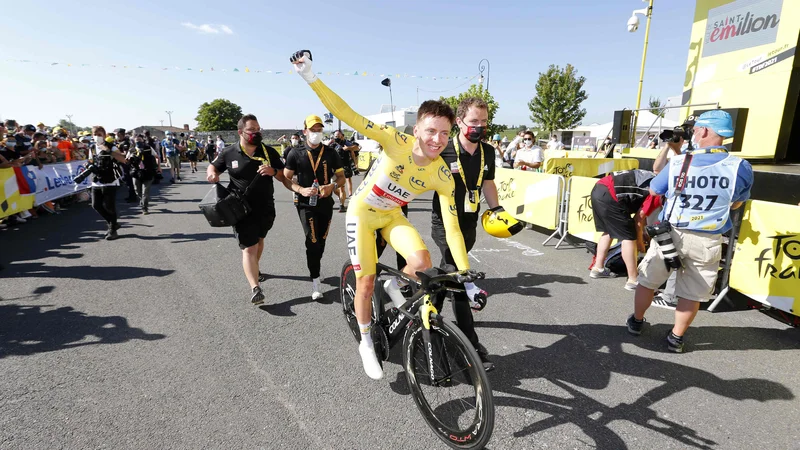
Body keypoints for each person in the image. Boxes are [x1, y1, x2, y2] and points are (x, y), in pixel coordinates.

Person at [291, 49, 470, 380]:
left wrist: (466, 273)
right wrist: (310, 77)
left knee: (423, 262)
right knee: (366, 280)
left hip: (391, 216)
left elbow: (453, 228)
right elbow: (347, 112)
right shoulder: (393, 140)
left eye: (445, 134)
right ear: (417, 129)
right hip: (362, 214)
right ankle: (366, 343)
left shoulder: (442, 173)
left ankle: (395, 289)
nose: (438, 139)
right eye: (431, 131)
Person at [627, 110, 753, 353]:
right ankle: (676, 337)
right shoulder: (740, 167)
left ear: (704, 131)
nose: (693, 133)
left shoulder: (680, 162)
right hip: (708, 237)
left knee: (648, 281)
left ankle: (637, 321)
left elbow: (654, 190)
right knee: (692, 292)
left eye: (695, 129)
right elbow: (737, 202)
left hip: (670, 234)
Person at [431, 97, 502, 372]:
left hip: (470, 223)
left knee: (447, 272)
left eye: (483, 122)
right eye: (473, 122)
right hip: (444, 224)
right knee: (460, 280)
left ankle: (426, 313)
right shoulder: (443, 149)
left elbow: (487, 182)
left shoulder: (488, 151)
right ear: (459, 121)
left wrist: (497, 209)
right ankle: (470, 348)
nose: (479, 127)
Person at [207, 114, 288, 305]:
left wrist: (273, 171)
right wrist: (212, 175)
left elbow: (283, 173)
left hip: (266, 207)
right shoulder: (229, 152)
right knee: (249, 247)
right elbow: (213, 167)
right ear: (240, 132)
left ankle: (255, 269)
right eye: (252, 130)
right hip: (239, 209)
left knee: (259, 241)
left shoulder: (268, 152)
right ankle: (255, 287)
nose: (256, 132)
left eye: (258, 129)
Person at [283, 115, 345, 300]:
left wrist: (332, 186)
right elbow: (285, 178)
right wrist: (300, 189)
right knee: (312, 240)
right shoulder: (295, 153)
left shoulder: (330, 152)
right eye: (313, 129)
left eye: (319, 129)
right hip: (305, 204)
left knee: (322, 239)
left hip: (325, 203)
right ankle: (315, 279)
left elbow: (341, 177)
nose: (316, 133)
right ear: (305, 131)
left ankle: (315, 266)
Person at [589, 169, 662, 290]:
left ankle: (598, 268)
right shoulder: (657, 191)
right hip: (612, 194)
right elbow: (639, 220)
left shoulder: (651, 177)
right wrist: (639, 242)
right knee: (629, 237)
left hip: (600, 188)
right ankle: (633, 279)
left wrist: (643, 232)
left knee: (608, 230)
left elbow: (641, 216)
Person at [88, 126, 128, 240]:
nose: (97, 136)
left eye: (99, 134)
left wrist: (107, 150)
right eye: (95, 134)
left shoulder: (111, 146)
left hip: (110, 180)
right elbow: (91, 160)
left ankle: (112, 230)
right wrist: (89, 165)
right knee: (96, 205)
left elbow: (122, 159)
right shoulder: (92, 147)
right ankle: (113, 223)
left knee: (109, 206)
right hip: (97, 180)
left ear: (104, 135)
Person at [128, 134, 161, 215]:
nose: (138, 141)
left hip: (148, 172)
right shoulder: (132, 150)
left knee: (145, 191)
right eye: (137, 140)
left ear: (143, 140)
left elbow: (157, 157)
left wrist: (159, 167)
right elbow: (126, 160)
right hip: (136, 172)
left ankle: (144, 207)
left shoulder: (148, 148)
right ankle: (142, 201)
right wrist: (131, 158)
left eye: (140, 140)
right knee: (137, 190)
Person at [330, 130, 360, 212]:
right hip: (333, 169)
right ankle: (341, 197)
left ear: (342, 136)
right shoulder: (332, 144)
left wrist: (348, 148)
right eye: (335, 136)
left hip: (344, 167)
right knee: (334, 187)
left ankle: (342, 205)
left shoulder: (346, 143)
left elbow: (356, 148)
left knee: (343, 186)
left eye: (338, 136)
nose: (337, 137)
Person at [115, 128, 138, 203]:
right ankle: (131, 195)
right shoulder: (120, 142)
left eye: (116, 134)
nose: (115, 135)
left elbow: (126, 153)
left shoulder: (125, 142)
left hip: (126, 164)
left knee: (129, 180)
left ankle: (133, 196)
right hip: (123, 163)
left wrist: (115, 153)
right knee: (127, 180)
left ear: (119, 134)